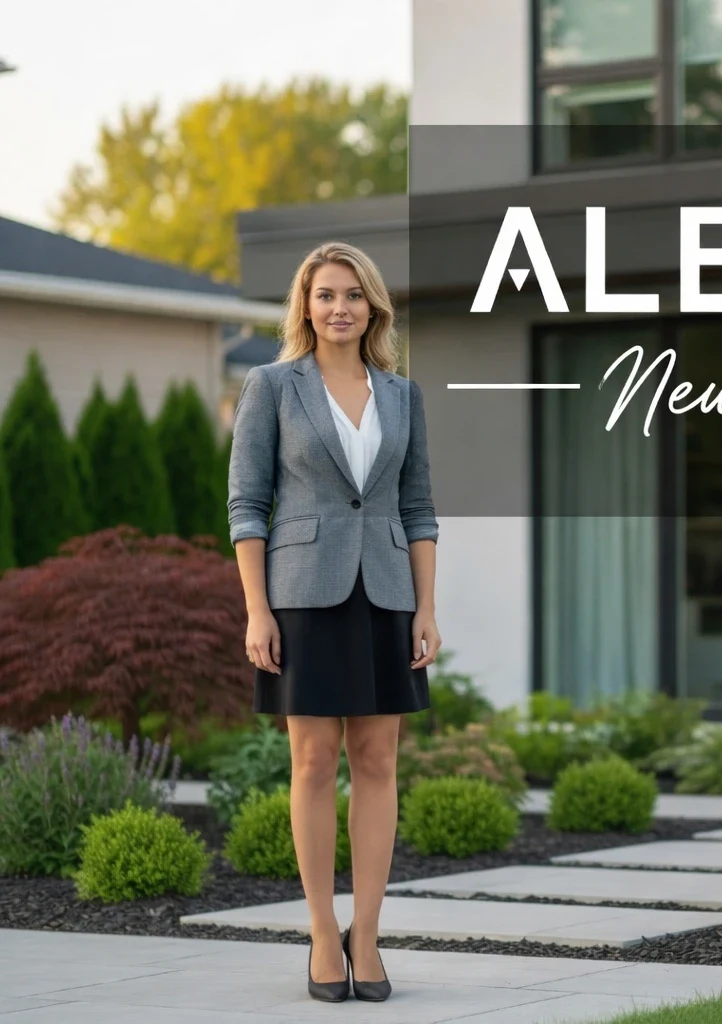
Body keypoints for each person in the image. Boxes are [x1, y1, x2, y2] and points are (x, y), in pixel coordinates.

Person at [228, 241, 441, 1003]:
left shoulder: (402, 395)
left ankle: (369, 934)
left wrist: (426, 606)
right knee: (314, 762)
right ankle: (323, 932)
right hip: (302, 595)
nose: (340, 307)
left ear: (373, 307)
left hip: (386, 591)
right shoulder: (271, 385)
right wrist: (257, 609)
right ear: (306, 306)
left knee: (377, 761)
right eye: (325, 294)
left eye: (353, 294)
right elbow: (247, 505)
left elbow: (418, 508)